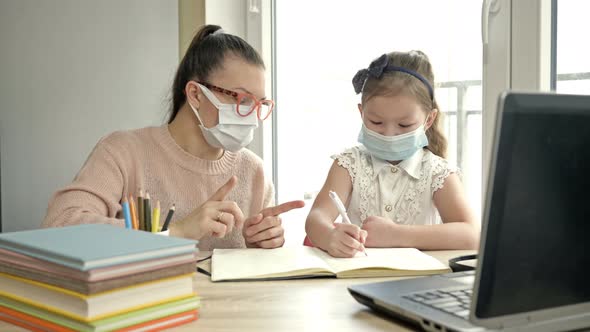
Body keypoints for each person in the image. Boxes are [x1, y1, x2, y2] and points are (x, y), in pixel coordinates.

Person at [43, 24, 304, 251]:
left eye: (259, 104)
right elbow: (59, 226)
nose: (252, 116)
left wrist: (264, 243)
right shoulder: (123, 152)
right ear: (196, 94)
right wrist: (176, 232)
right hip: (146, 306)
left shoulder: (253, 171)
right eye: (243, 100)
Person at [305, 51, 479, 258]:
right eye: (376, 122)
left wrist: (397, 235)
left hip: (418, 286)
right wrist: (330, 236)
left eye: (404, 125)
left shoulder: (438, 173)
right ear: (362, 113)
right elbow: (316, 219)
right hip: (355, 281)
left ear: (429, 120)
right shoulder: (349, 164)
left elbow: (472, 235)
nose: (389, 134)